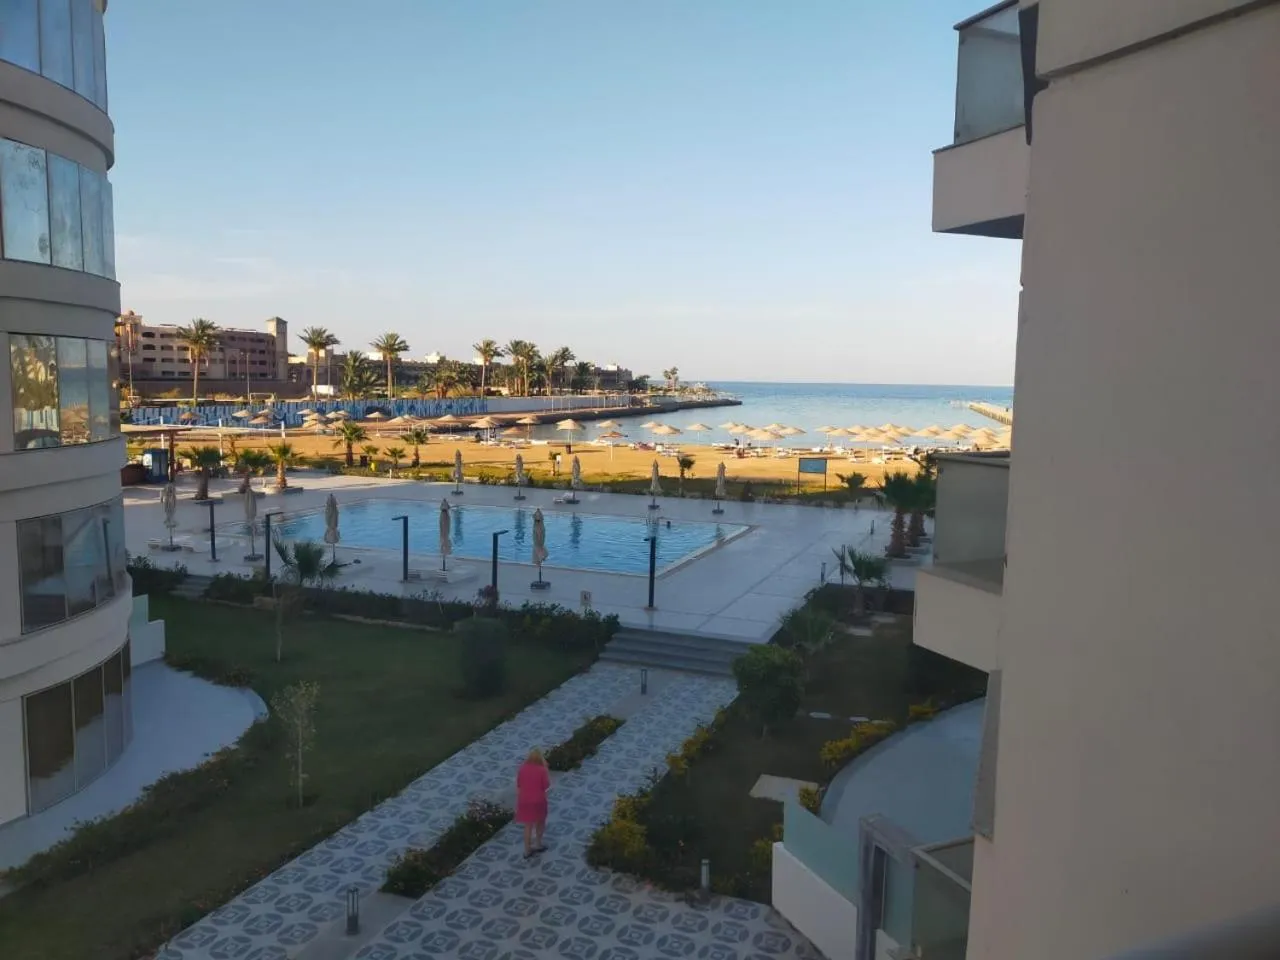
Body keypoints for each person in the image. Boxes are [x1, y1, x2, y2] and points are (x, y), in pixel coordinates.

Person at [516, 748, 551, 857]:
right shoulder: (542, 770)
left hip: (524, 800)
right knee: (540, 822)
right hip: (538, 800)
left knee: (528, 825)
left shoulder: (522, 769)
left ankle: (527, 850)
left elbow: (518, 784)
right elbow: (546, 785)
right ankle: (538, 844)